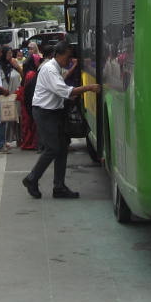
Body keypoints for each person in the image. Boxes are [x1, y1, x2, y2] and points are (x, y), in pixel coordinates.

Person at [21, 40, 100, 200]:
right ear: (58, 55)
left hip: (54, 112)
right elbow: (64, 91)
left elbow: (62, 88)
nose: (69, 60)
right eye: (67, 57)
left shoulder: (56, 68)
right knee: (53, 148)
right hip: (45, 113)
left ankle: (59, 187)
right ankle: (32, 178)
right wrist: (89, 88)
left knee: (62, 147)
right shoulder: (50, 69)